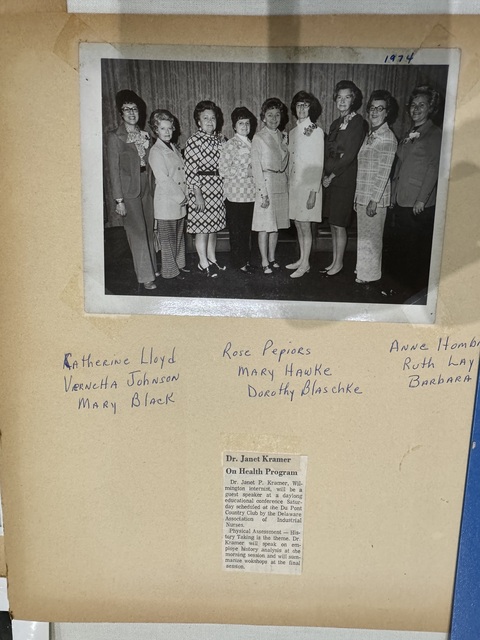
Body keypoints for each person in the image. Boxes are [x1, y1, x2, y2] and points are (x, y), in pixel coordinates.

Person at [388, 85, 442, 293]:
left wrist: (421, 199)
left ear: (431, 108)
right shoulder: (411, 133)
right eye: (413, 104)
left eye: (422, 105)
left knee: (415, 250)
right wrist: (393, 194)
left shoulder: (434, 133)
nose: (416, 109)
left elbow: (434, 167)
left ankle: (413, 292)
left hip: (419, 203)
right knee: (403, 245)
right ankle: (402, 288)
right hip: (403, 198)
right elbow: (400, 165)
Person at [106, 89, 157, 290]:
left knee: (149, 229)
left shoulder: (145, 135)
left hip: (147, 185)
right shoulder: (115, 137)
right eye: (127, 109)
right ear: (121, 113)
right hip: (129, 190)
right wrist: (118, 200)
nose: (131, 113)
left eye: (134, 109)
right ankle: (145, 276)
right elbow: (113, 170)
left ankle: (152, 268)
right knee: (137, 232)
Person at [322, 80, 367, 276]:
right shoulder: (335, 123)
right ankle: (334, 261)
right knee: (333, 223)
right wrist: (325, 174)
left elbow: (349, 155)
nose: (342, 101)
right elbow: (329, 152)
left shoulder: (358, 122)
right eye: (339, 97)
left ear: (353, 100)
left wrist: (331, 175)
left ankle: (339, 263)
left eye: (346, 97)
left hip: (343, 179)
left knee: (340, 224)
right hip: (331, 179)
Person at [354, 90, 398, 284]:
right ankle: (363, 269)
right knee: (365, 237)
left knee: (372, 239)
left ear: (387, 112)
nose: (374, 112)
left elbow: (384, 172)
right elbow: (363, 169)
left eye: (380, 109)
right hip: (363, 196)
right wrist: (357, 198)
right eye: (372, 108)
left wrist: (373, 200)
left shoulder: (388, 138)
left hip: (375, 199)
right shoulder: (371, 135)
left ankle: (369, 275)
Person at [184, 100, 226, 278]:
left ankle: (212, 258)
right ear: (198, 121)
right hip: (201, 189)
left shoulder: (219, 140)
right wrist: (198, 195)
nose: (210, 121)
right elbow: (190, 170)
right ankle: (202, 263)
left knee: (213, 227)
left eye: (212, 118)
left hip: (217, 188)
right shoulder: (194, 141)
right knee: (202, 229)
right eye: (205, 118)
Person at [148, 109, 189, 281]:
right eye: (162, 128)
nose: (167, 132)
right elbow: (163, 179)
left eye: (169, 128)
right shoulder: (156, 151)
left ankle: (179, 266)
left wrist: (185, 195)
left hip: (179, 201)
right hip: (167, 202)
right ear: (155, 130)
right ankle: (170, 272)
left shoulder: (173, 147)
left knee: (178, 237)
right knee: (168, 240)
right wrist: (181, 197)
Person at [287, 91, 324, 279]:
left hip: (308, 187)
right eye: (299, 104)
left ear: (311, 108)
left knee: (305, 224)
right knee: (298, 223)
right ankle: (302, 259)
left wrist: (313, 192)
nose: (301, 108)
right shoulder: (293, 132)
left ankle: (306, 263)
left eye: (306, 105)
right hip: (294, 186)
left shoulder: (315, 131)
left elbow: (318, 163)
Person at [251, 97, 289, 274]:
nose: (274, 118)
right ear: (263, 117)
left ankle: (272, 258)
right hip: (266, 183)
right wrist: (263, 193)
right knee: (264, 226)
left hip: (280, 183)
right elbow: (256, 167)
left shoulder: (282, 135)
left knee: (276, 225)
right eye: (270, 115)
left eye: (277, 115)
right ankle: (264, 261)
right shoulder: (259, 137)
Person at [219, 107, 257, 274]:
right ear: (234, 126)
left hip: (250, 195)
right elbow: (223, 170)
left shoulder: (252, 143)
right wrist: (245, 172)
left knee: (247, 231)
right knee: (237, 232)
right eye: (241, 123)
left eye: (247, 123)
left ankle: (246, 261)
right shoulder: (230, 144)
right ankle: (239, 263)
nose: (245, 126)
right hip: (235, 196)